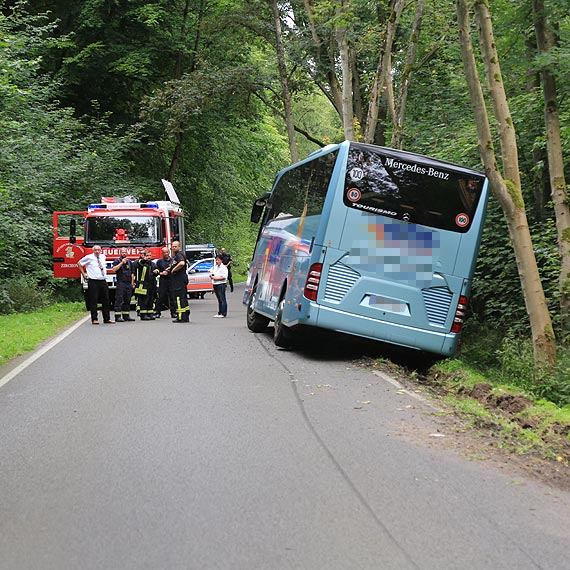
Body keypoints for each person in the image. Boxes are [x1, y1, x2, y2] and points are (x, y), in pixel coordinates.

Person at [77, 245, 114, 325]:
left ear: (101, 250)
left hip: (103, 280)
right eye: (95, 250)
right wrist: (83, 274)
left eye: (98, 250)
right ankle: (94, 319)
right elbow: (79, 264)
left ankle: (107, 318)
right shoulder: (89, 257)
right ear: (93, 251)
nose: (97, 251)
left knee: (106, 300)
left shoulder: (103, 257)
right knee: (94, 300)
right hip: (93, 281)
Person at [108, 246, 134, 322]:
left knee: (127, 299)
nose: (124, 253)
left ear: (127, 253)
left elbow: (132, 273)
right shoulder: (117, 261)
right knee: (119, 300)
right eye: (122, 252)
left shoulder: (129, 262)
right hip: (121, 283)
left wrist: (132, 283)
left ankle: (126, 316)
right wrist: (122, 262)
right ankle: (118, 316)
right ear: (120, 253)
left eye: (125, 252)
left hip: (128, 283)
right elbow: (114, 269)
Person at [132, 249, 157, 320]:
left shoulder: (152, 264)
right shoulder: (140, 262)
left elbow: (157, 270)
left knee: (150, 300)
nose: (149, 257)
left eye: (150, 255)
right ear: (144, 256)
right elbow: (141, 263)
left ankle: (150, 313)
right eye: (147, 256)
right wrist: (144, 259)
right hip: (142, 285)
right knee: (143, 300)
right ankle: (143, 315)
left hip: (151, 284)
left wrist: (156, 271)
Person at [170, 240, 190, 323]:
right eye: (173, 246)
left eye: (175, 246)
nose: (174, 248)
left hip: (179, 280)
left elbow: (181, 263)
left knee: (179, 299)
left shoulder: (179, 254)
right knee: (183, 298)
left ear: (179, 247)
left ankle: (181, 317)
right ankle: (185, 316)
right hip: (181, 279)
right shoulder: (179, 255)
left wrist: (174, 269)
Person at [154, 246, 175, 319]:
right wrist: (161, 273)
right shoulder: (159, 261)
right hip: (163, 281)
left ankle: (173, 312)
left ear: (169, 252)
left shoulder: (173, 260)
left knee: (172, 297)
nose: (166, 254)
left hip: (171, 280)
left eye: (167, 252)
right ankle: (157, 312)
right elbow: (156, 271)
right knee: (161, 297)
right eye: (164, 252)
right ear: (162, 253)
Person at [210, 253, 228, 318]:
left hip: (221, 284)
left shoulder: (223, 268)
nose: (217, 261)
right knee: (219, 299)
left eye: (218, 260)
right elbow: (213, 275)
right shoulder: (215, 267)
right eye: (216, 260)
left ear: (221, 260)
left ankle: (223, 313)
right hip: (215, 284)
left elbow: (224, 277)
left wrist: (215, 278)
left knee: (222, 299)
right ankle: (220, 312)